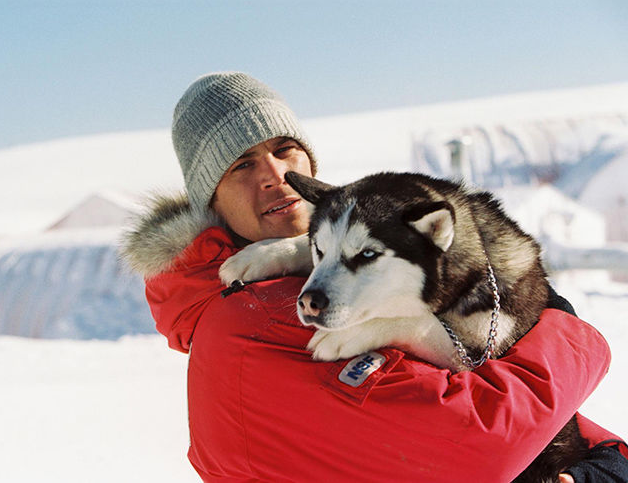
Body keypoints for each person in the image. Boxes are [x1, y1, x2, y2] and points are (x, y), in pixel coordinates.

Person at [123, 72, 628, 482]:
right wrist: (565, 330)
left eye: (284, 149)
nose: (274, 175)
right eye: (241, 164)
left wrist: (605, 459)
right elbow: (482, 440)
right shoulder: (261, 317)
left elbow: (485, 384)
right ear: (209, 198)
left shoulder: (298, 278)